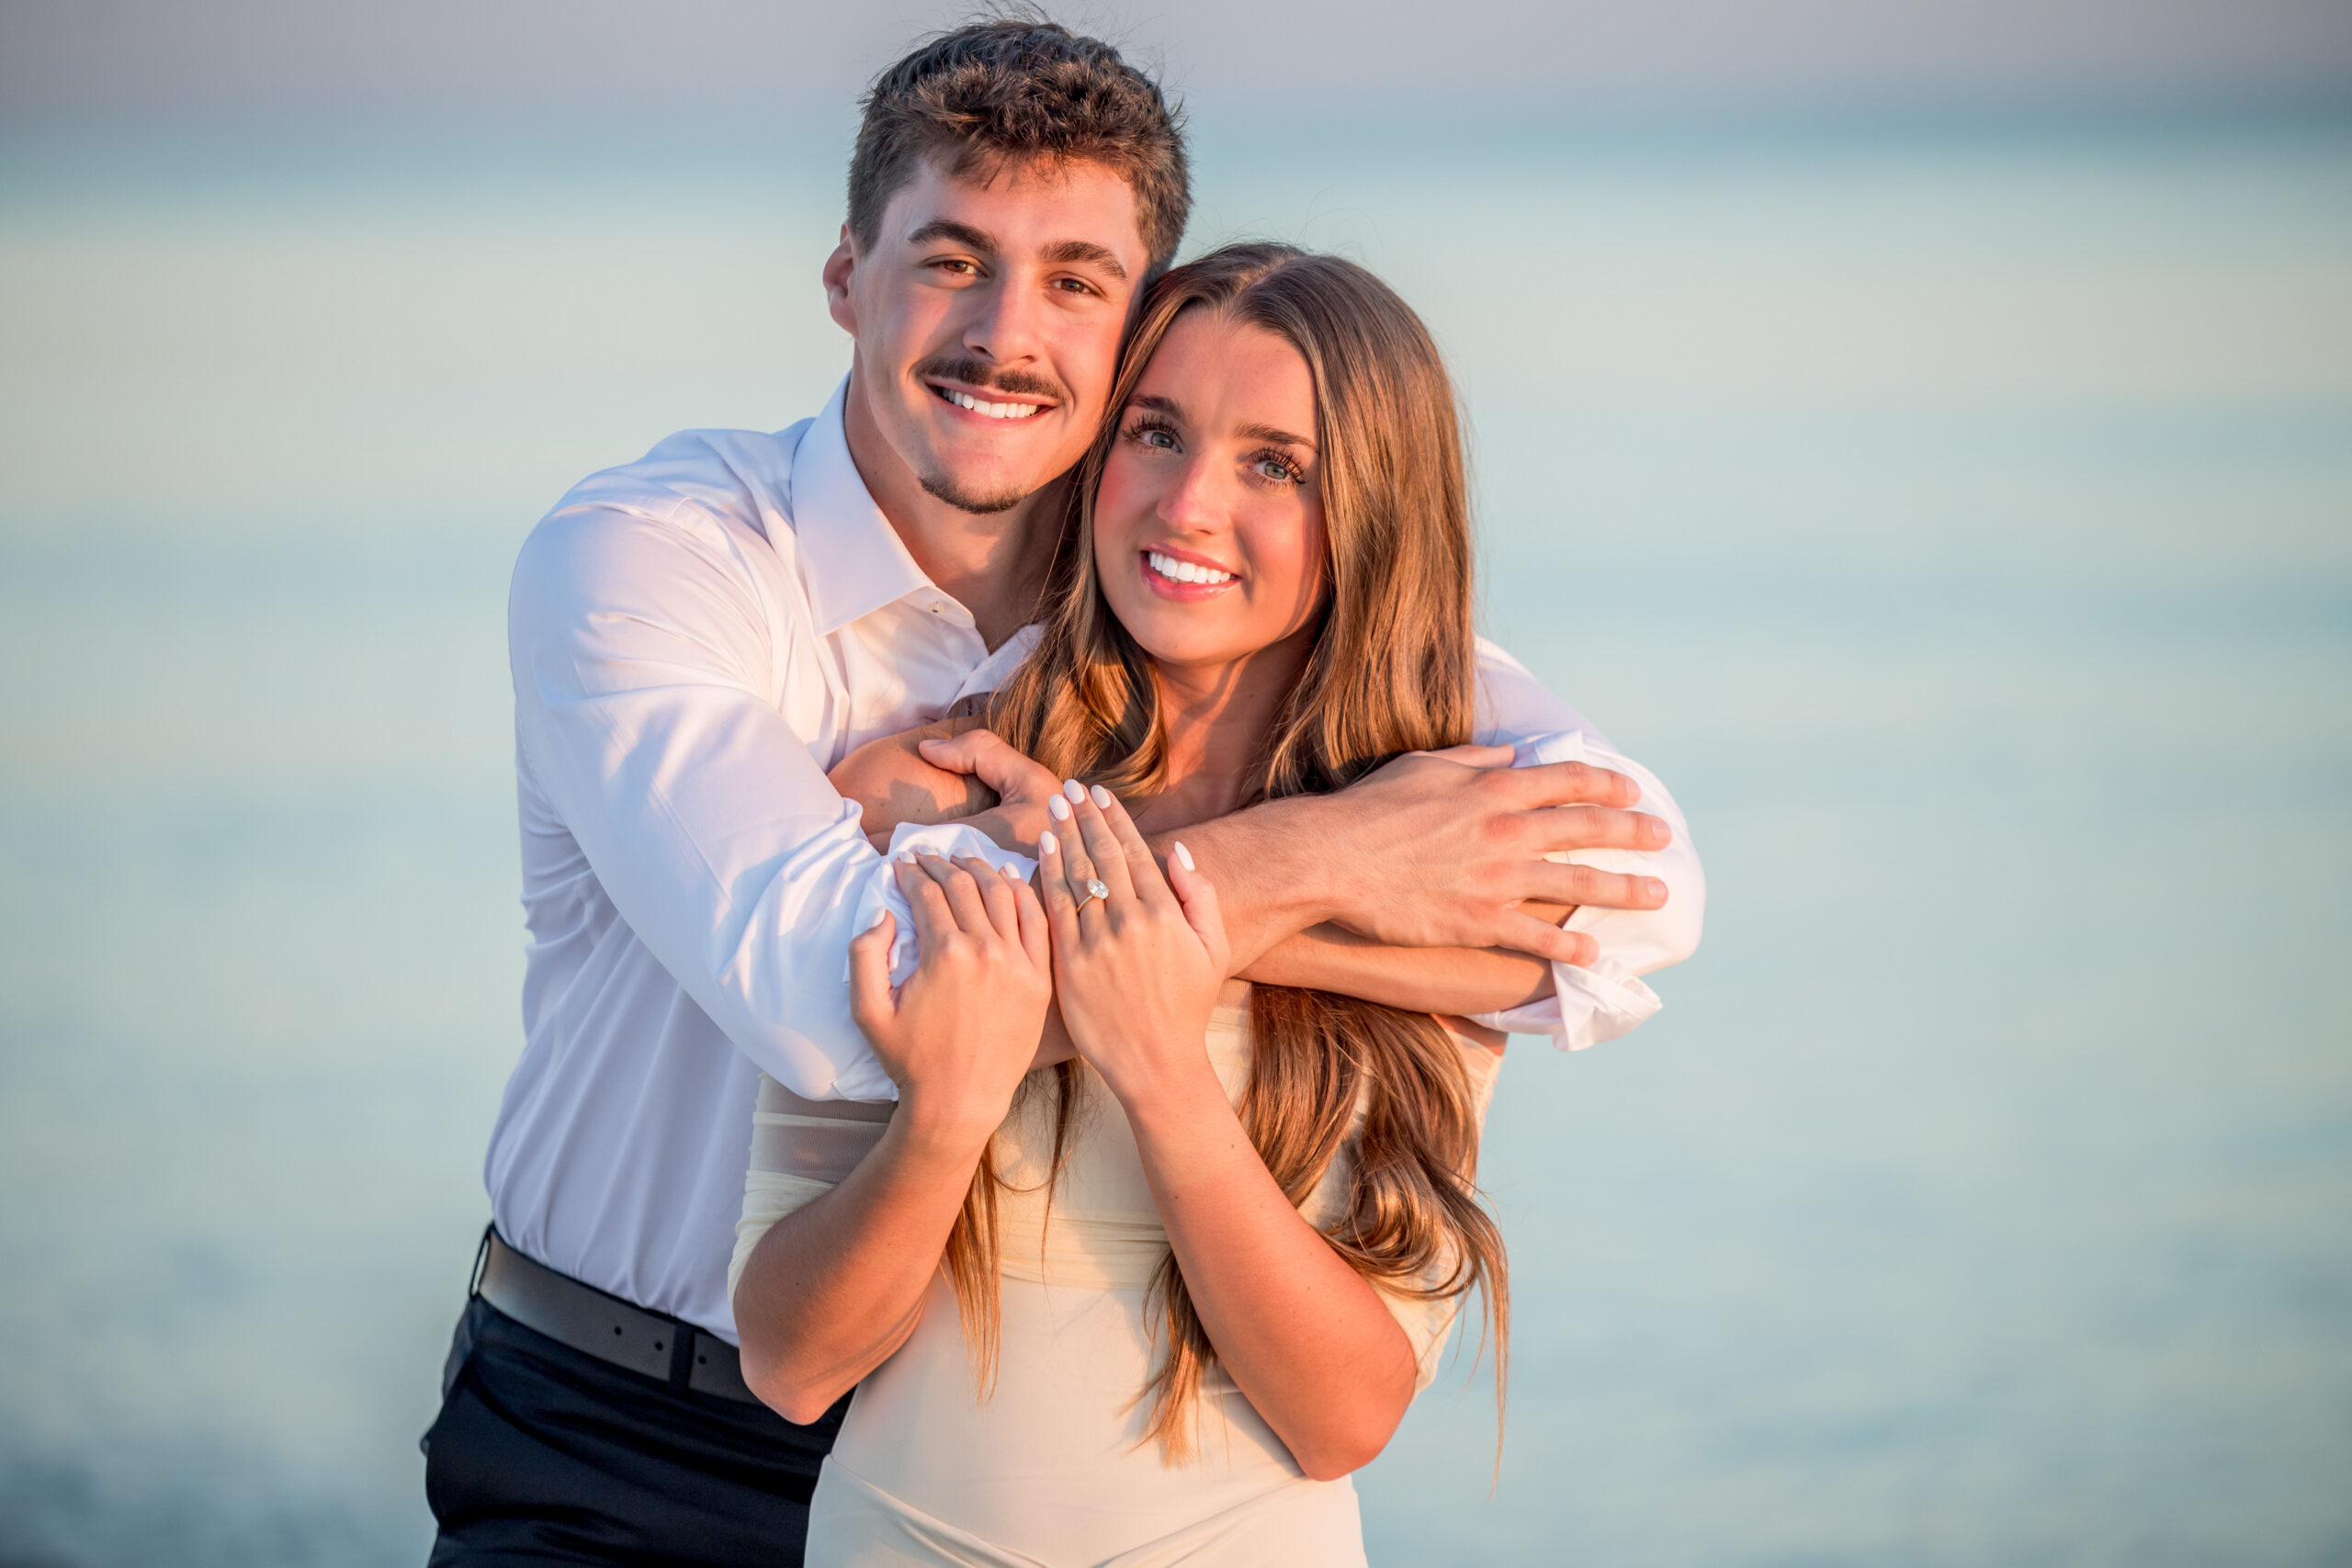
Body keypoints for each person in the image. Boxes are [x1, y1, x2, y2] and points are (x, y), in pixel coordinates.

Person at [423, 17, 1701, 1568]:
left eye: (1077, 283)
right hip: (619, 1433)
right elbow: (843, 1000)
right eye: (952, 258)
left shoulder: (1181, 596)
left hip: (957, 1446)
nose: (1006, 332)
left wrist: (1153, 869)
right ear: (846, 276)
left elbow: (1638, 903)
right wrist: (1328, 857)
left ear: (1133, 321)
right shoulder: (649, 563)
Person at [731, 243, 1570, 1566]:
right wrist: (945, 1119)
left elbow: (1346, 1414)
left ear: (1375, 514)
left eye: (1275, 466)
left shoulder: (1423, 853)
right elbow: (788, 1361)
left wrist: (1160, 1063)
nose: (1187, 505)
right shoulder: (929, 794)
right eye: (1156, 433)